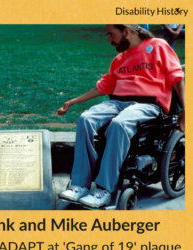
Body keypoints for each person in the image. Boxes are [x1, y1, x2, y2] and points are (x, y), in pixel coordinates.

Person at [57, 24, 185, 208]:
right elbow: (102, 88)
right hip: (118, 102)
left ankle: (104, 190)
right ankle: (79, 185)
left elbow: (178, 81)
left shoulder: (158, 46)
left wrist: (186, 112)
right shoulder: (119, 59)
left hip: (148, 104)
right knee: (86, 119)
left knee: (120, 124)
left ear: (127, 30)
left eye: (111, 34)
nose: (109, 40)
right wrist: (72, 102)